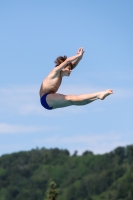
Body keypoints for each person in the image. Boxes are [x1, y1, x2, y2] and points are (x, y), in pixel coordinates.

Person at [39, 47, 113, 110]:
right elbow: (67, 61)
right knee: (71, 98)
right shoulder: (55, 72)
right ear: (62, 68)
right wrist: (77, 55)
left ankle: (98, 96)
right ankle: (98, 94)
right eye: (68, 69)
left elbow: (71, 65)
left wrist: (79, 58)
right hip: (45, 99)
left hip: (49, 101)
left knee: (74, 100)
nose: (70, 71)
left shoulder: (62, 72)